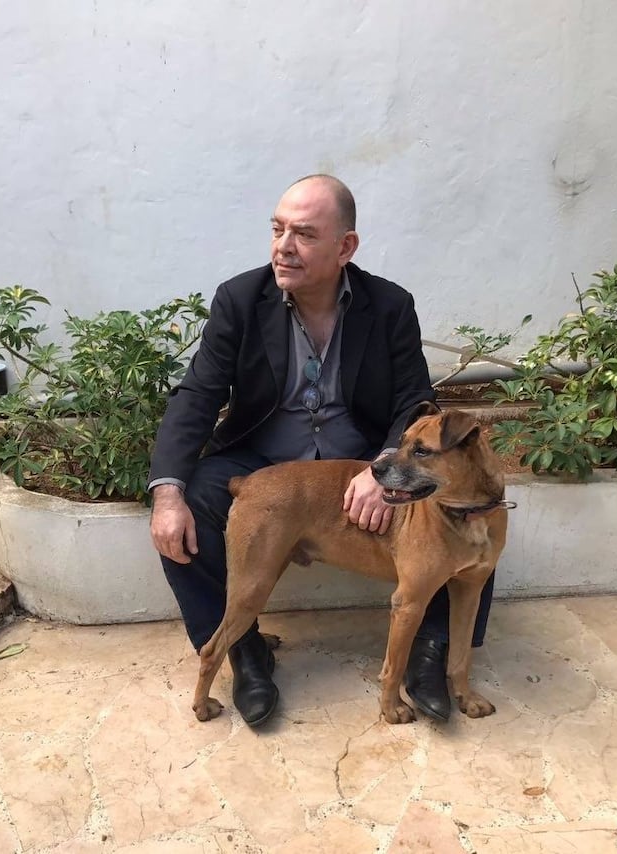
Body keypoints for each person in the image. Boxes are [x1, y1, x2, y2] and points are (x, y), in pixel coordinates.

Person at [148, 175, 494, 727]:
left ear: (345, 247)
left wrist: (382, 469)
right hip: (261, 457)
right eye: (278, 229)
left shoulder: (388, 306)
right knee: (193, 500)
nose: (284, 246)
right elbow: (197, 395)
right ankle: (243, 648)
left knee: (467, 503)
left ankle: (430, 656)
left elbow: (414, 398)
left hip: (356, 460)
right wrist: (167, 492)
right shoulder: (240, 299)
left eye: (304, 234)